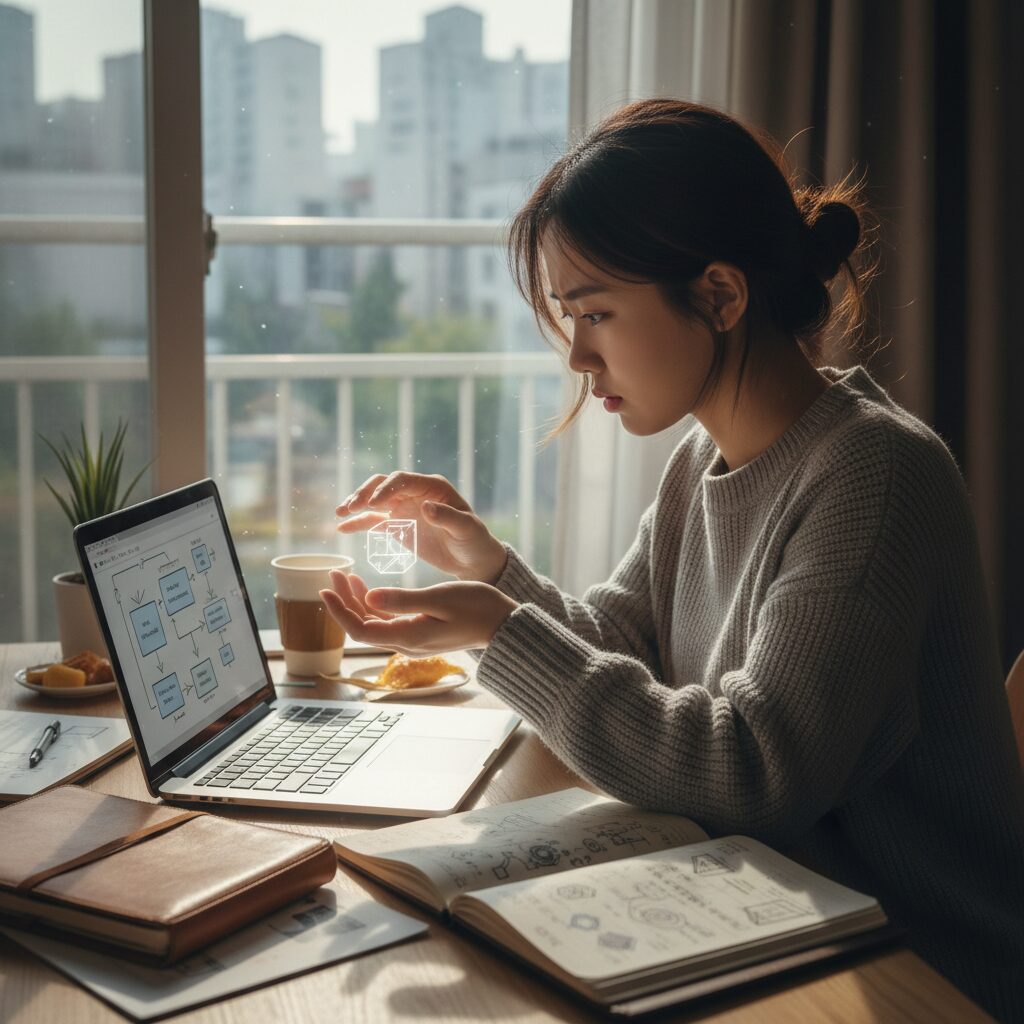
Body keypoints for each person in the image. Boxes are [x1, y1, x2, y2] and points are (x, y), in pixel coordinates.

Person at [320, 99, 1024, 1021]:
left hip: (920, 965)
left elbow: (754, 774)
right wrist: (494, 573)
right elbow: (628, 646)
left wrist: (503, 634)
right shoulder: (707, 457)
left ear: (722, 296)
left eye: (597, 313)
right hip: (777, 913)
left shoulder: (874, 476)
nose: (577, 355)